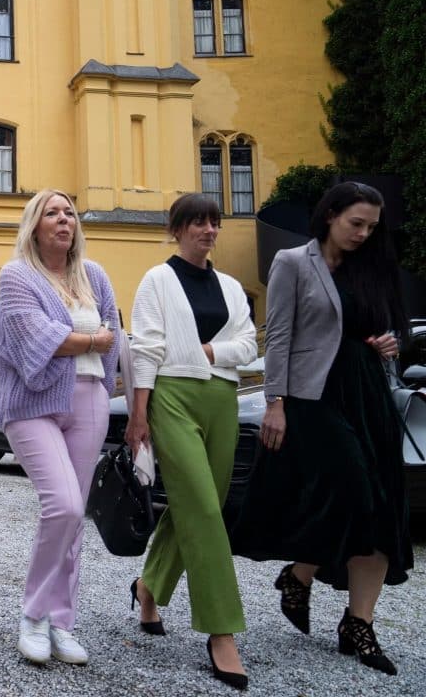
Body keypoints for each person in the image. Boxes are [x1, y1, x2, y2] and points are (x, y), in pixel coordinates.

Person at [232, 181, 412, 676]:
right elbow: (279, 335)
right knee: (356, 491)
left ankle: (359, 622)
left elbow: (379, 329)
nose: (363, 234)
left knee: (384, 510)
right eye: (356, 223)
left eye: (371, 227)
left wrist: (386, 343)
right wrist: (275, 402)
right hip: (314, 397)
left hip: (367, 394)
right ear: (330, 214)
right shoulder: (293, 262)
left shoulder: (369, 266)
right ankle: (300, 571)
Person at [125, 193, 257, 690]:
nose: (209, 230)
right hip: (173, 396)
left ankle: (149, 587)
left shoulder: (231, 287)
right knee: (202, 507)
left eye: (214, 222)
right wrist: (139, 414)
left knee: (202, 505)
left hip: (222, 400)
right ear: (177, 229)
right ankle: (221, 630)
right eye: (198, 222)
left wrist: (210, 351)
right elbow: (147, 348)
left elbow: (248, 345)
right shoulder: (157, 280)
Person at [0, 189, 120, 667]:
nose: (64, 219)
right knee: (62, 505)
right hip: (33, 402)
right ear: (35, 225)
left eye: (69, 213)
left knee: (75, 515)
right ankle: (33, 616)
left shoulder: (95, 275)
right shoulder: (17, 276)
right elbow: (36, 337)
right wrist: (89, 339)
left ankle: (61, 621)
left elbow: (114, 335)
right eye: (52, 213)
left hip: (89, 397)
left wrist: (86, 344)